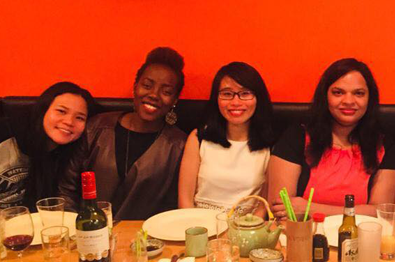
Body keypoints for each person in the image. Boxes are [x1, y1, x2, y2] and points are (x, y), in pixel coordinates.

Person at [59, 47, 187, 220]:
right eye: (147, 85)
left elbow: (173, 207)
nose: (154, 95)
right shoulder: (96, 128)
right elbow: (67, 189)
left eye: (166, 92)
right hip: (86, 235)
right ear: (135, 87)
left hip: (145, 240)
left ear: (174, 100)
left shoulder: (179, 146)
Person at [268, 58, 395, 217]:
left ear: (369, 99)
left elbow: (382, 213)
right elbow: (280, 209)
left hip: (359, 238)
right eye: (338, 92)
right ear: (325, 96)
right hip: (303, 237)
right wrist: (357, 211)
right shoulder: (297, 136)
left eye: (359, 93)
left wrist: (311, 209)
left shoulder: (382, 143)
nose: (349, 101)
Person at [178, 62, 273, 215]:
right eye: (227, 94)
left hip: (246, 230)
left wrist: (247, 231)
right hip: (201, 228)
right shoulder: (198, 138)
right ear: (216, 98)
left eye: (245, 93)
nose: (235, 102)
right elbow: (185, 201)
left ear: (258, 98)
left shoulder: (271, 143)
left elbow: (263, 207)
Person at [0, 82, 95, 210]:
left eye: (80, 118)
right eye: (61, 111)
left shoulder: (72, 159)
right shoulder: (6, 133)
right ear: (44, 109)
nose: (69, 122)